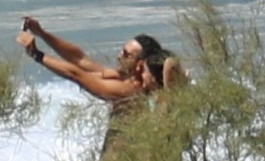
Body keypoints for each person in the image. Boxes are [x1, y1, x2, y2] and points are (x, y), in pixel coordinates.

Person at [20, 20, 189, 114]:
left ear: (140, 64)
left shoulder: (131, 92)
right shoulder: (121, 76)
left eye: (126, 54)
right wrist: (41, 33)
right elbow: (79, 59)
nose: (119, 56)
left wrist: (37, 54)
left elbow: (77, 74)